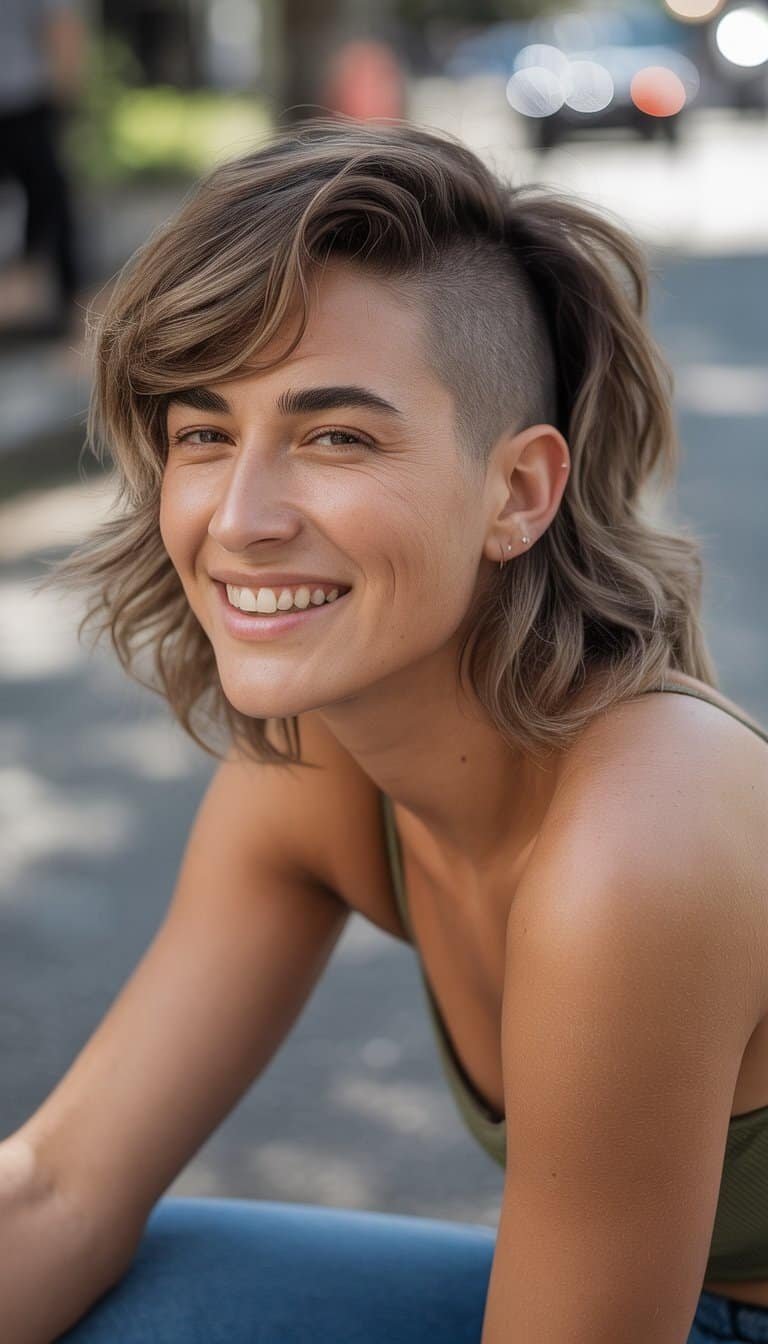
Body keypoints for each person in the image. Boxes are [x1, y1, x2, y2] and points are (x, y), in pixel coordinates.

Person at [5, 117, 768, 1343]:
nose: (239, 517)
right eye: (205, 432)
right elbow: (59, 1187)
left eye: (336, 436)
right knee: (141, 1281)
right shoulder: (317, 771)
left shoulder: (638, 846)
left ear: (518, 491)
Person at [0, 0, 86, 337]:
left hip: (27, 100)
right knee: (51, 202)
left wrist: (63, 94)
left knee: (52, 205)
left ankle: (70, 307)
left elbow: (61, 27)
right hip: (28, 100)